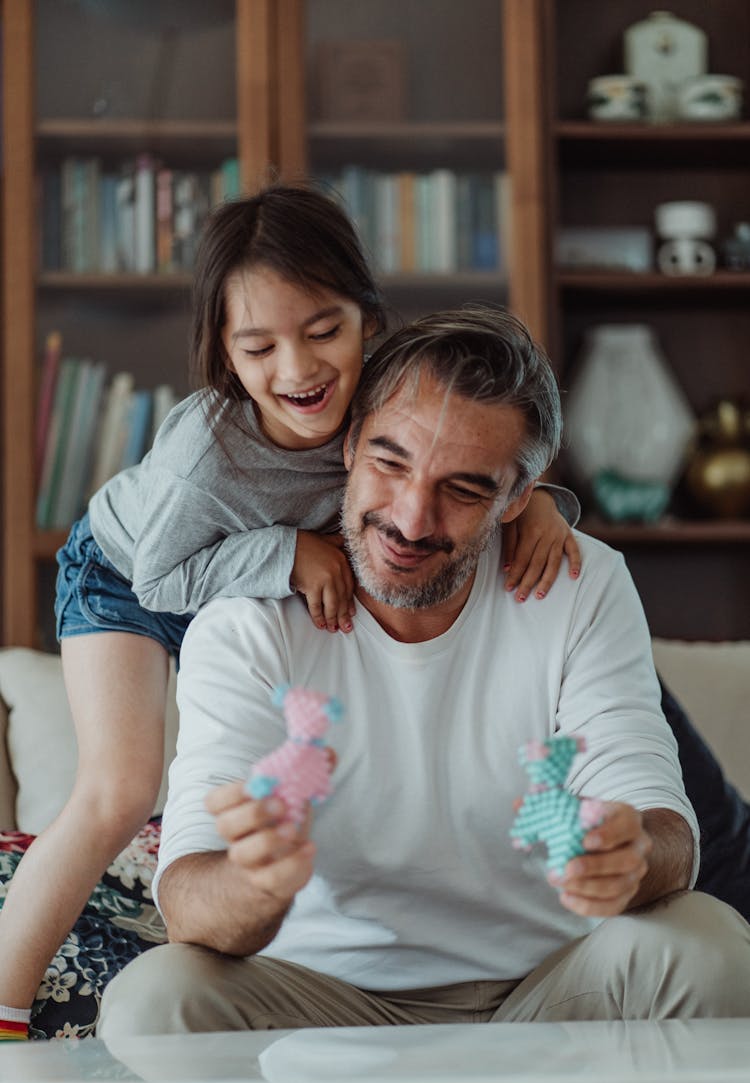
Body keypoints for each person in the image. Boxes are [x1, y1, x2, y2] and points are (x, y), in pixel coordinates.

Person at [0, 187, 580, 1039]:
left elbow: (471, 463)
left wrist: (543, 505)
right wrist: (287, 553)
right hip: (131, 574)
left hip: (238, 588)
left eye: (322, 330)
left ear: (367, 320)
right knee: (119, 790)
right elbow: (163, 575)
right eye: (259, 345)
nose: (298, 370)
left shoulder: (390, 395)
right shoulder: (208, 449)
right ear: (225, 356)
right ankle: (7, 1010)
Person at [98, 305, 750, 1039]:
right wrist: (253, 883)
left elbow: (664, 822)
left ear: (515, 498)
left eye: (464, 489)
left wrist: (631, 856)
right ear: (347, 446)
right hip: (319, 1004)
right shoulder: (250, 615)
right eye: (390, 461)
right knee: (153, 1003)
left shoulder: (581, 583)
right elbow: (188, 893)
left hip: (550, 996)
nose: (411, 518)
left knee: (713, 948)